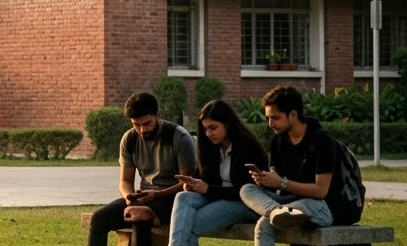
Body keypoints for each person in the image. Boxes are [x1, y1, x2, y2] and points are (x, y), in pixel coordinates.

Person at [87, 92, 197, 246]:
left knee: (140, 217)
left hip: (175, 199)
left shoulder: (179, 137)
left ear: (158, 115)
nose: (142, 130)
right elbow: (125, 180)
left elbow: (188, 185)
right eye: (136, 124)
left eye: (146, 123)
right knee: (99, 218)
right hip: (144, 198)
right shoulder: (130, 138)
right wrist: (129, 198)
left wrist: (156, 195)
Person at [240, 85, 338, 245]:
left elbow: (321, 191)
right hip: (288, 202)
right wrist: (266, 180)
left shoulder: (322, 140)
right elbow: (278, 184)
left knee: (264, 225)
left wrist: (281, 182)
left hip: (319, 206)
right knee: (247, 189)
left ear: (293, 114)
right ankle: (276, 212)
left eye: (276, 118)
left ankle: (278, 213)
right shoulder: (278, 140)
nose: (270, 123)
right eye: (268, 118)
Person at [168, 100, 268, 246]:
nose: (208, 133)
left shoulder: (248, 147)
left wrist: (208, 188)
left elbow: (249, 192)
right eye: (205, 129)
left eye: (213, 128)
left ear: (227, 124)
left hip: (244, 203)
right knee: (183, 197)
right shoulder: (210, 146)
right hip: (216, 198)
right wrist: (191, 184)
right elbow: (201, 176)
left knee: (189, 225)